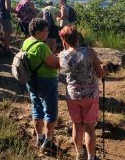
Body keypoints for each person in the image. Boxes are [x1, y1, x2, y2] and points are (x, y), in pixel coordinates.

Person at [59, 25, 107, 160]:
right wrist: (105, 70)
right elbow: (99, 74)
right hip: (90, 95)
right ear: (78, 37)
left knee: (76, 125)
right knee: (89, 128)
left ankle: (79, 153)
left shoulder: (62, 55)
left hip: (72, 96)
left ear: (64, 40)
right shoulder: (89, 52)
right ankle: (91, 157)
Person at [22, 18, 60, 151]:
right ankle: (48, 142)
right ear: (37, 33)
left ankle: (40, 138)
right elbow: (55, 64)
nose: (48, 32)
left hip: (32, 80)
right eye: (45, 31)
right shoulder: (41, 46)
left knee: (37, 109)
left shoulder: (27, 42)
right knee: (51, 111)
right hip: (46, 80)